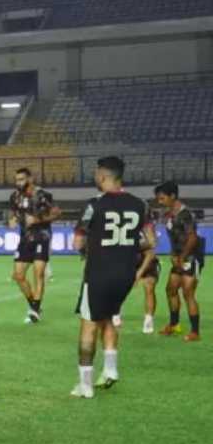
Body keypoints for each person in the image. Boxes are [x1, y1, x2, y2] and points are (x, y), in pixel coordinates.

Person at [71, 157, 155, 398]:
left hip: (99, 273)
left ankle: (84, 385)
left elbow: (78, 241)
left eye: (97, 173)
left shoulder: (94, 204)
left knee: (88, 325)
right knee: (108, 317)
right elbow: (150, 241)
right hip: (125, 275)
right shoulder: (140, 204)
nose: (95, 177)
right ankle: (110, 370)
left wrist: (88, 248)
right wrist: (125, 245)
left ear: (103, 176)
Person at [8, 167, 61, 323]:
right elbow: (12, 213)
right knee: (18, 275)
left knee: (38, 273)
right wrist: (12, 220)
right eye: (17, 180)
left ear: (30, 179)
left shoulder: (42, 195)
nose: (19, 182)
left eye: (22, 179)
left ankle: (35, 310)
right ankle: (34, 304)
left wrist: (38, 220)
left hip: (42, 237)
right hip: (25, 239)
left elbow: (57, 213)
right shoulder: (15, 196)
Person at [154, 181, 203, 341]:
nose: (159, 202)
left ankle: (195, 332)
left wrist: (182, 257)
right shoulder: (169, 214)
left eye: (162, 198)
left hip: (190, 258)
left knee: (188, 294)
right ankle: (174, 325)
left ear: (172, 196)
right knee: (171, 290)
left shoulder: (185, 214)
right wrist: (174, 255)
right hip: (178, 259)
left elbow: (193, 238)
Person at [138, 198, 163, 334]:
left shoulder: (148, 226)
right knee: (119, 288)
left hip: (148, 261)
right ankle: (116, 313)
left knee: (149, 287)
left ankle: (148, 319)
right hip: (129, 261)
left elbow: (152, 247)